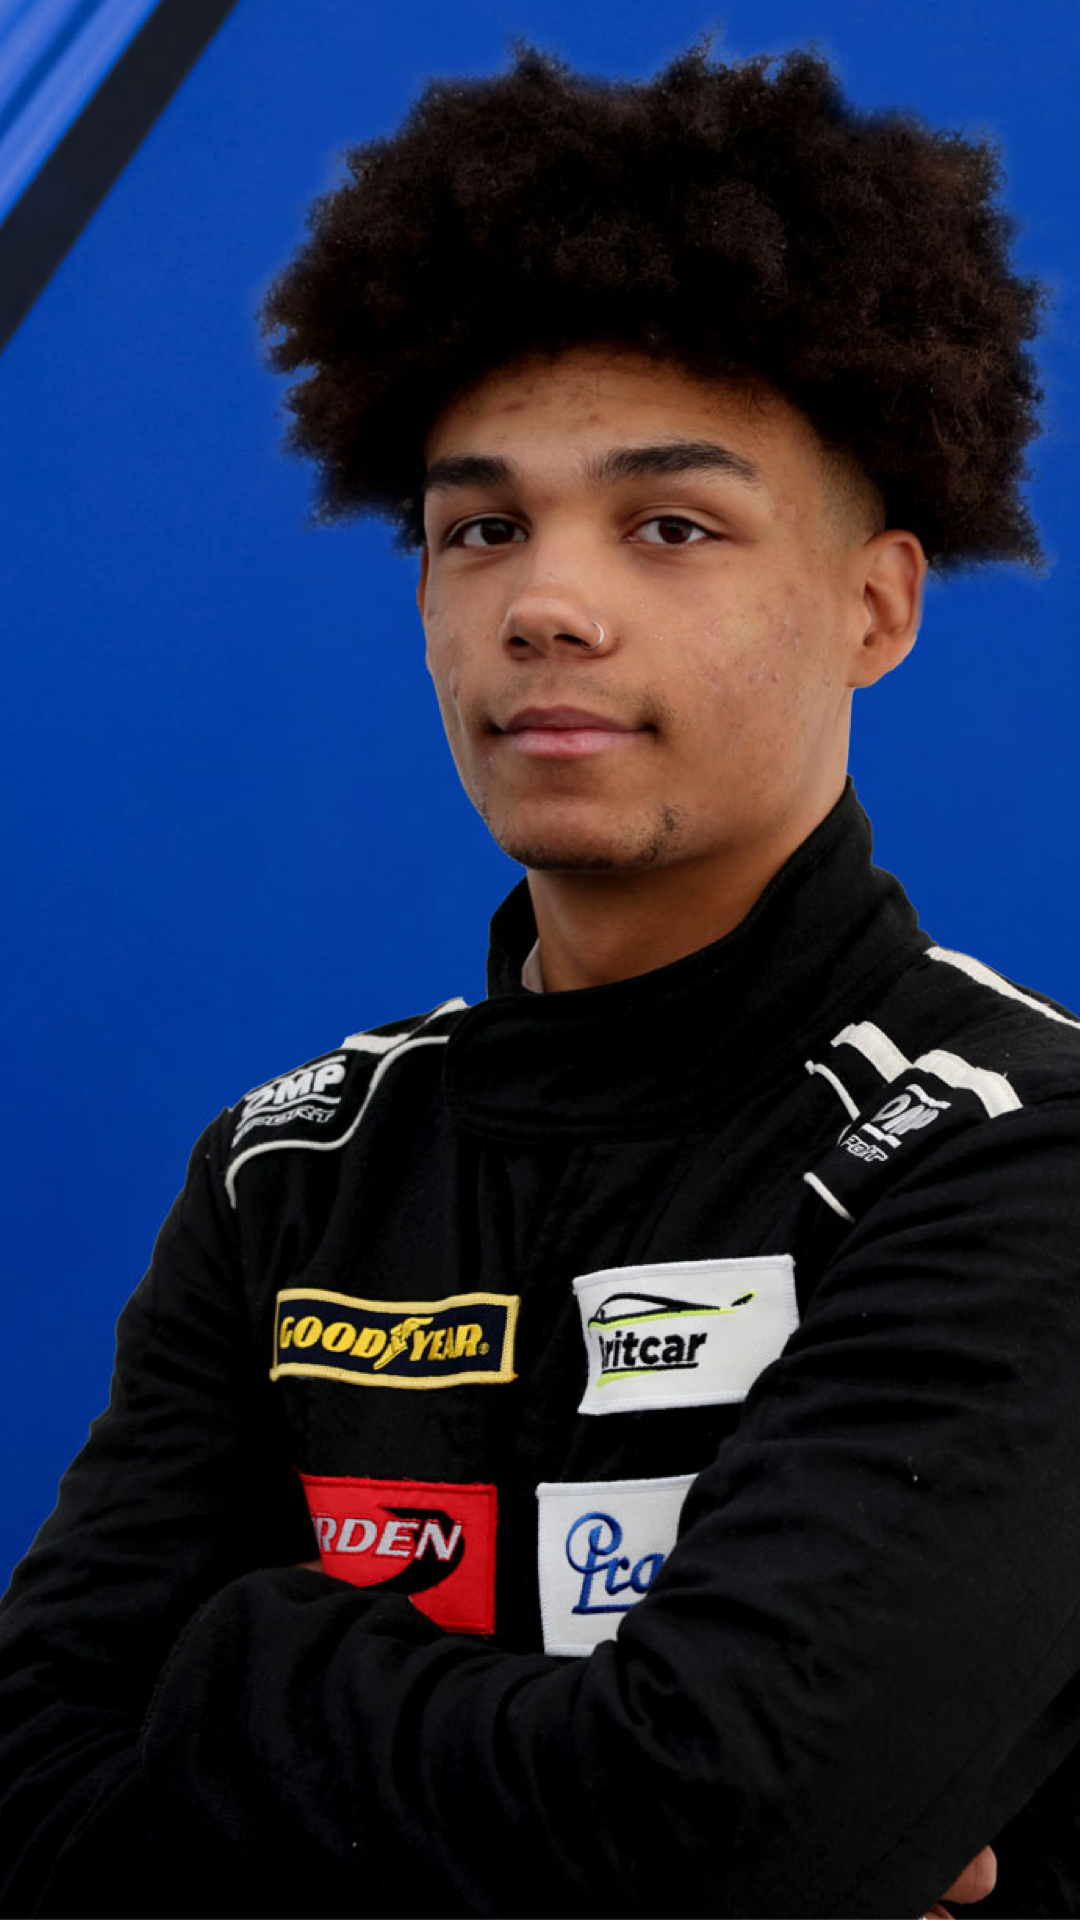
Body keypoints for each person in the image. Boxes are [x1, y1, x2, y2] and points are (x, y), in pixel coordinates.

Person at [1, 43, 1078, 1920]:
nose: (545, 604)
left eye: (671, 525)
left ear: (876, 607)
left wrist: (246, 1668)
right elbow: (28, 1810)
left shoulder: (1021, 1158)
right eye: (481, 526)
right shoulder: (288, 1172)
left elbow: (727, 1826)